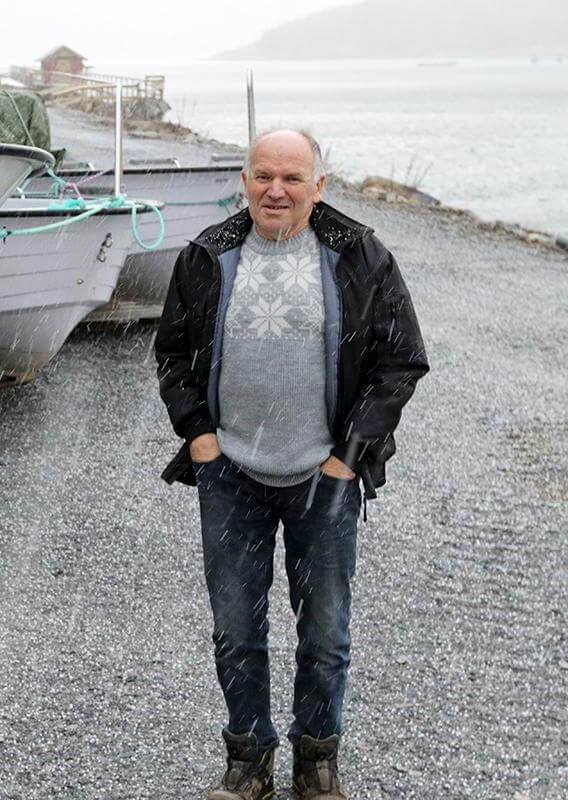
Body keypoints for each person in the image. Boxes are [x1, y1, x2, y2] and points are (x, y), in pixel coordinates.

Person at [154, 129, 428, 800]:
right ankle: (249, 762)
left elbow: (402, 361)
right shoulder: (207, 255)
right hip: (230, 476)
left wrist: (348, 458)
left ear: (319, 186)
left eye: (291, 178)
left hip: (324, 480)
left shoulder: (358, 255)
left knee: (325, 634)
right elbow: (171, 354)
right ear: (244, 179)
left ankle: (317, 763)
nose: (275, 189)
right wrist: (200, 439)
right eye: (262, 175)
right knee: (236, 631)